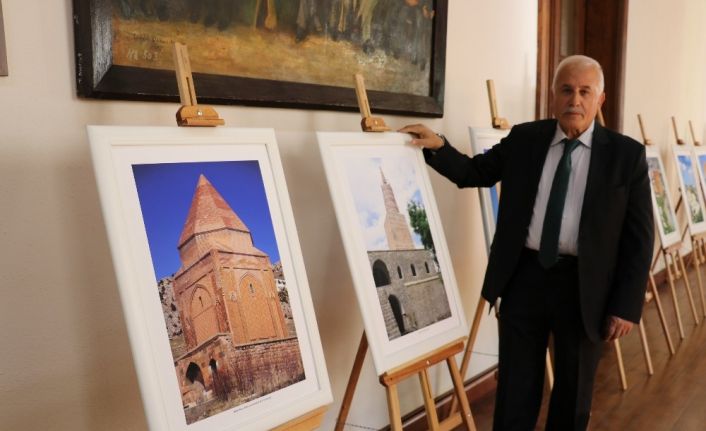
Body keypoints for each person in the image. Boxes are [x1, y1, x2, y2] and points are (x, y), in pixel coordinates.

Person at [399, 55, 654, 431]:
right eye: (566, 90)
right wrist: (438, 146)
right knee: (515, 389)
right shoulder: (525, 138)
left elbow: (640, 238)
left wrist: (626, 306)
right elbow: (476, 172)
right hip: (525, 279)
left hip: (586, 288)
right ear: (553, 95)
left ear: (600, 100)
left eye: (585, 92)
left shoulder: (626, 156)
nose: (575, 100)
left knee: (573, 394)